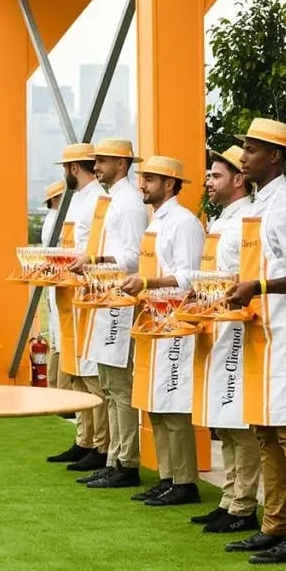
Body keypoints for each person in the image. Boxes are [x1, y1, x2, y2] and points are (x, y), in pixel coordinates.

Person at [224, 118, 286, 564]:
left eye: (252, 149)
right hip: (258, 328)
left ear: (276, 156)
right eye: (245, 148)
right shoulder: (258, 204)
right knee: (264, 430)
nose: (243, 156)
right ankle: (273, 524)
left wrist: (256, 288)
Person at [119, 155, 204, 506]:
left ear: (169, 184)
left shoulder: (183, 223)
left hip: (175, 321)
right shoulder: (157, 222)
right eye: (142, 178)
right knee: (155, 402)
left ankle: (185, 482)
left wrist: (147, 282)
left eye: (150, 179)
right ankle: (168, 476)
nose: (142, 184)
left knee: (173, 402)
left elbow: (189, 277)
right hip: (154, 318)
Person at [189, 145, 262, 533]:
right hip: (215, 323)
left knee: (237, 417)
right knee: (224, 416)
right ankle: (229, 496)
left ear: (238, 179)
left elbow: (243, 276)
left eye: (216, 176)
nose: (208, 181)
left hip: (236, 327)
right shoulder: (221, 221)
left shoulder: (247, 220)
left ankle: (244, 505)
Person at [71, 138, 150, 489]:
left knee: (119, 385)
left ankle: (126, 462)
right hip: (105, 296)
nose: (97, 165)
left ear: (121, 163)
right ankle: (114, 458)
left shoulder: (129, 202)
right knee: (108, 383)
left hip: (120, 298)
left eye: (102, 160)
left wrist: (95, 261)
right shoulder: (114, 199)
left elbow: (134, 257)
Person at [45, 145, 111, 472]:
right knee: (76, 372)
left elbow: (93, 250)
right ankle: (84, 439)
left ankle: (99, 444)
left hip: (86, 293)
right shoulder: (81, 200)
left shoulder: (98, 200)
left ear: (73, 168)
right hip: (69, 293)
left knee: (90, 373)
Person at [41, 179, 66, 410]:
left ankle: (56, 391)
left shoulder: (50, 219)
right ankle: (61, 394)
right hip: (60, 282)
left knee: (57, 340)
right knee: (61, 341)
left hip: (54, 283)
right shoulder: (57, 220)